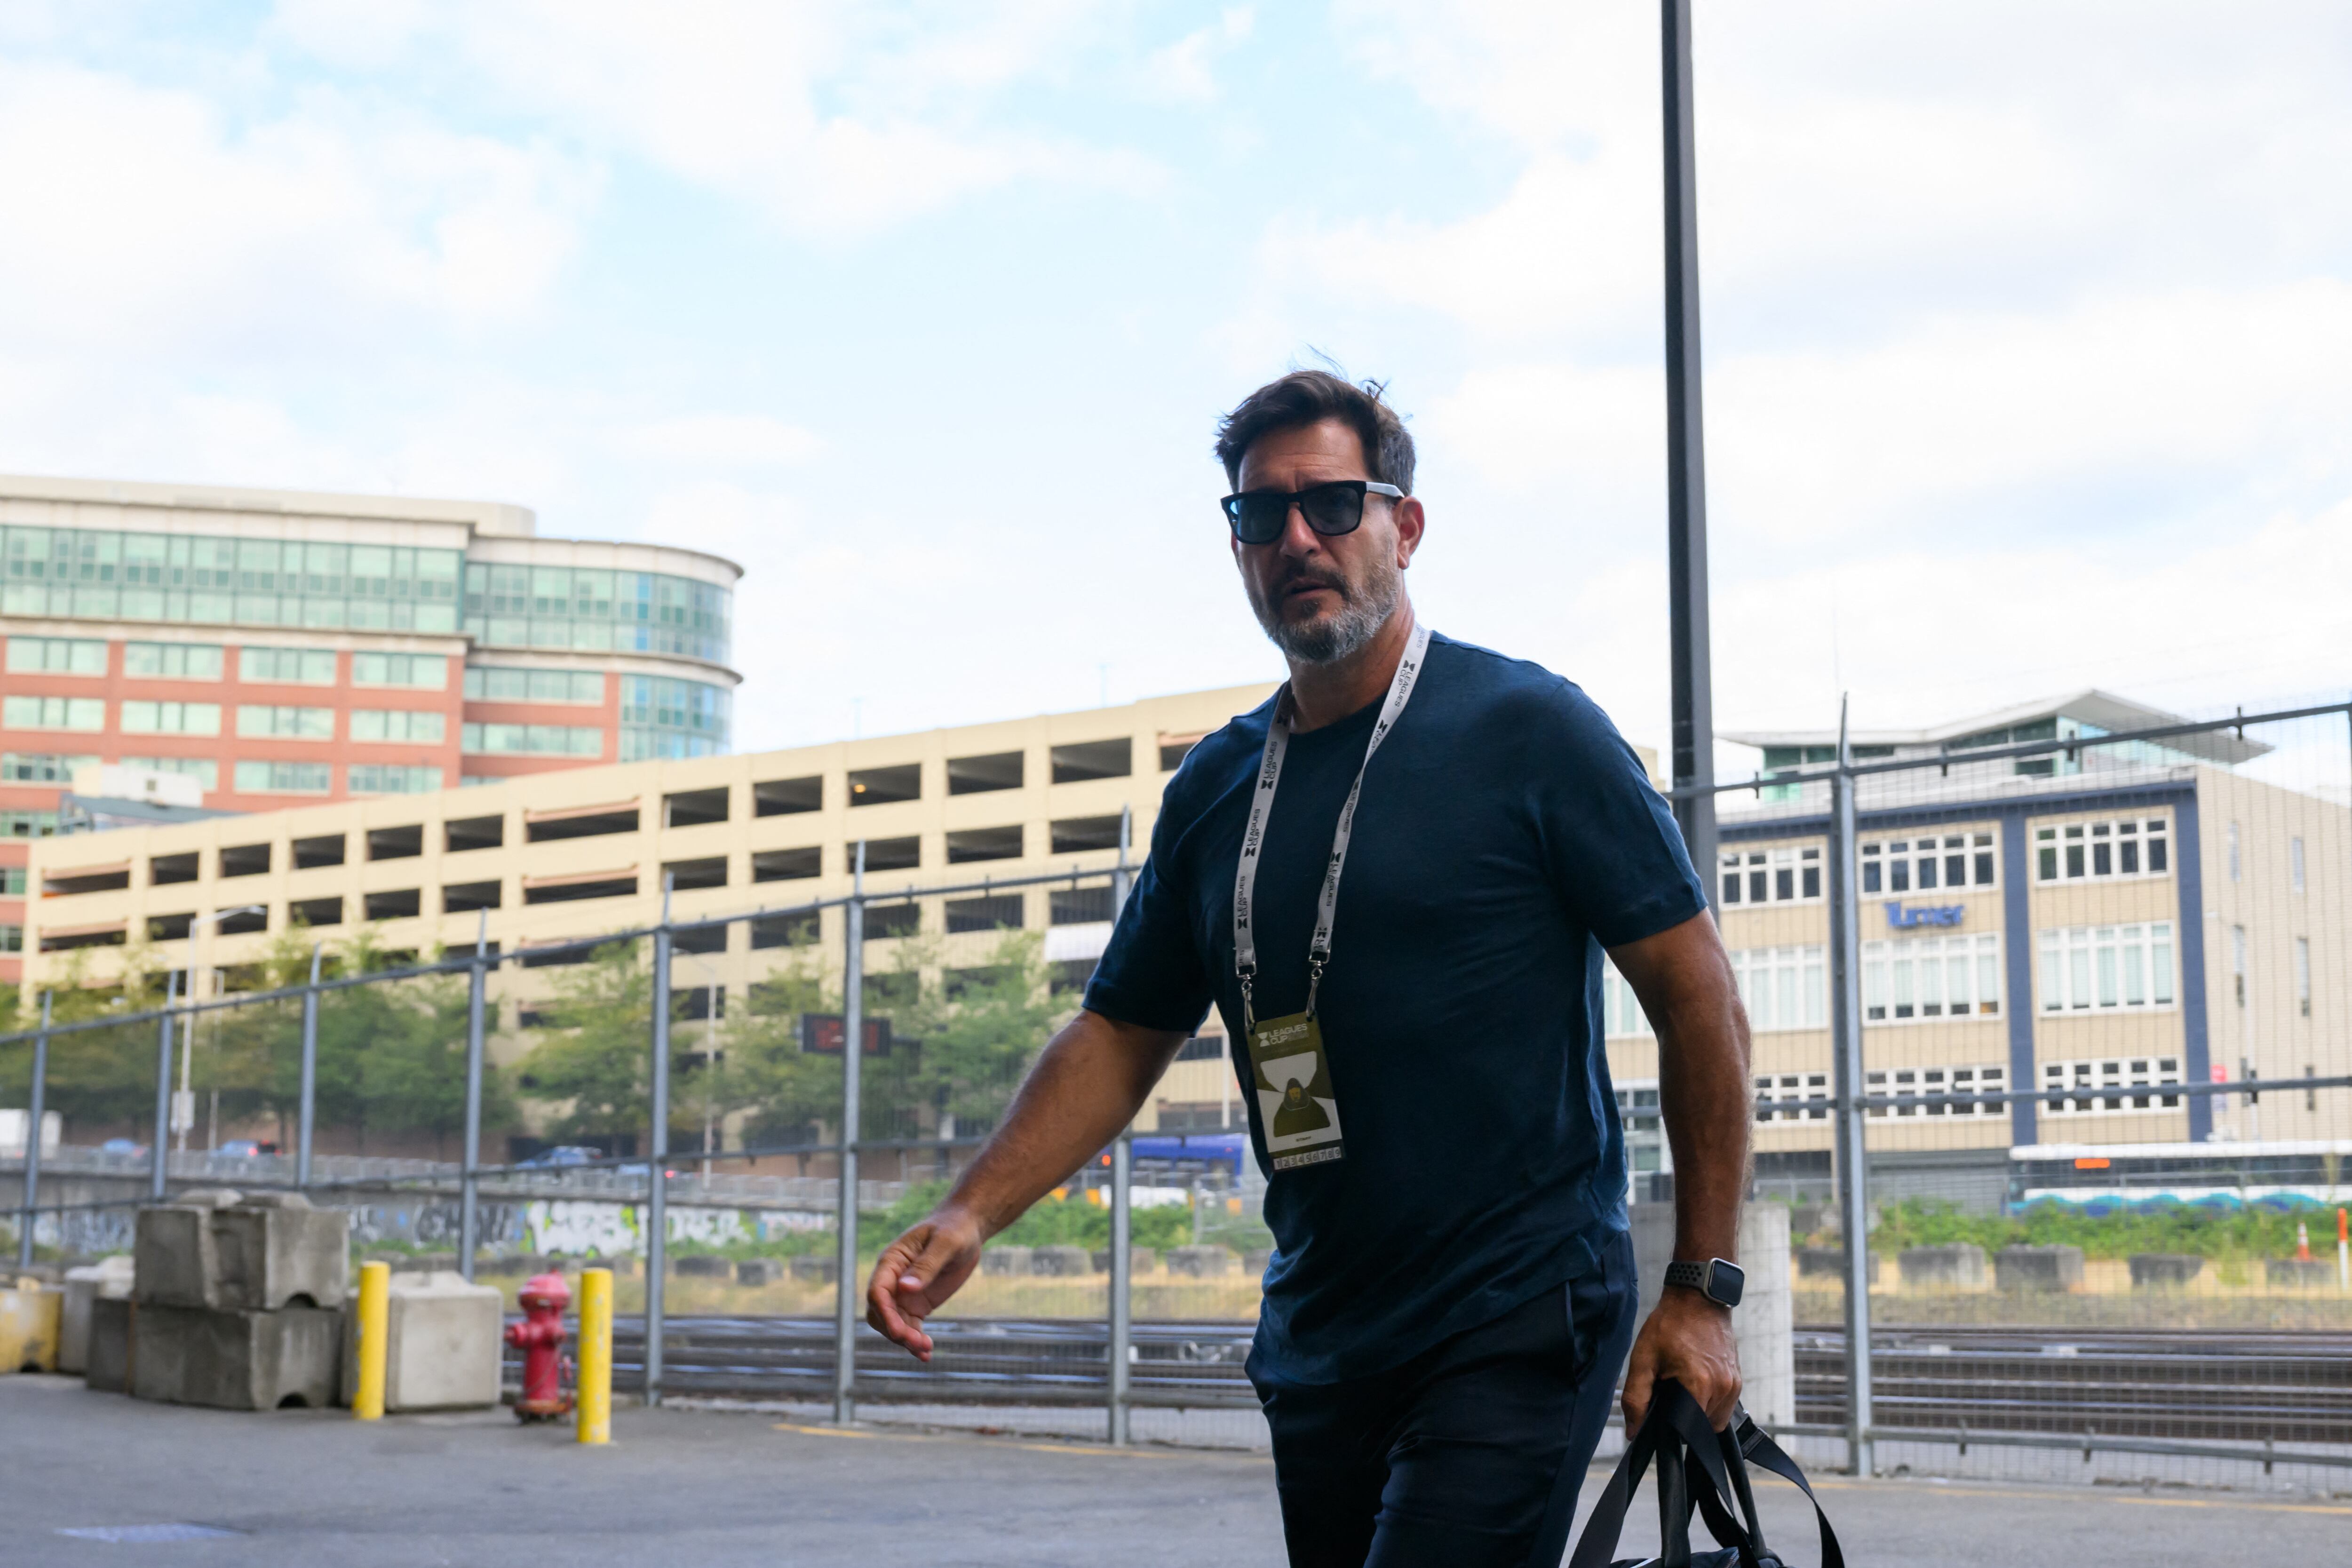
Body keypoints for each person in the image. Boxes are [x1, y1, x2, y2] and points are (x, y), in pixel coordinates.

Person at [868, 370, 1753, 1567]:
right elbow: (1121, 1033)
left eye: (1333, 503)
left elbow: (1697, 998)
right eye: (1259, 514)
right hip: (1324, 1332)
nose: (1296, 538)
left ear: (1405, 525)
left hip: (1514, 1309)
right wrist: (971, 1208)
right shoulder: (1217, 786)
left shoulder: (1530, 732)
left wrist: (1700, 1288)